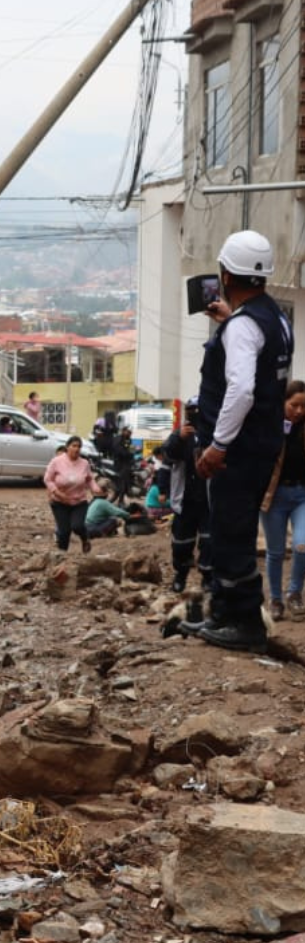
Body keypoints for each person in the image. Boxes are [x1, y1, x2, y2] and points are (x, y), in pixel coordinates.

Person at [184, 231, 295, 652]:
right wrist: (230, 322)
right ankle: (227, 613)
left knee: (231, 532)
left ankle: (244, 622)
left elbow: (243, 390)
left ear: (226, 273)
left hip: (239, 450)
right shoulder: (276, 318)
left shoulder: (244, 328)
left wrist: (218, 446)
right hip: (262, 444)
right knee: (235, 527)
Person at [261, 380, 305, 615]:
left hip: (302, 496)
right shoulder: (270, 426)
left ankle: (295, 592)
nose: (299, 411)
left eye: (303, 407)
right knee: (275, 552)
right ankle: (276, 600)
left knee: (302, 545)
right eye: (294, 405)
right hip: (274, 496)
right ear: (284, 403)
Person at [160, 399, 210, 594]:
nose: (194, 415)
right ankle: (180, 576)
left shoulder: (213, 433)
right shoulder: (179, 435)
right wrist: (179, 438)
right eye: (190, 411)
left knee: (209, 541)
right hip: (185, 498)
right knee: (181, 542)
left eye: (198, 411)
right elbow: (167, 459)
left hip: (207, 499)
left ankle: (208, 577)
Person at [44, 436, 96, 553]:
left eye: (79, 446)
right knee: (64, 531)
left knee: (77, 526)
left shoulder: (84, 463)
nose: (76, 449)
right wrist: (56, 492)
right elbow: (47, 479)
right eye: (74, 446)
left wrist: (95, 488)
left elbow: (90, 479)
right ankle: (62, 556)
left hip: (79, 501)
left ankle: (85, 538)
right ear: (68, 447)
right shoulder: (56, 461)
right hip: (59, 502)